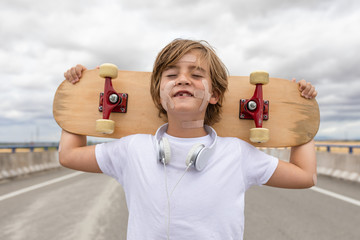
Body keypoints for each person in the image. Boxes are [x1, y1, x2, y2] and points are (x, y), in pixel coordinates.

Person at [61, 39, 317, 240]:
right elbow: (69, 155)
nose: (183, 79)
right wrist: (79, 97)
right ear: (158, 95)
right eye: (171, 75)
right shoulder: (133, 149)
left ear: (214, 95)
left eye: (196, 75)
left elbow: (305, 176)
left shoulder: (237, 153)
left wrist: (300, 113)